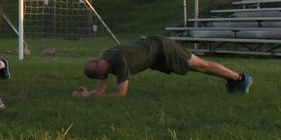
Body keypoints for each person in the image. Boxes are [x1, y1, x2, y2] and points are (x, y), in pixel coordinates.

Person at [73, 35, 253, 98]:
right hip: (154, 49)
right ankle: (234, 80)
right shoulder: (105, 57)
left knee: (201, 66)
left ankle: (241, 79)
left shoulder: (120, 61)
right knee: (199, 67)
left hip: (163, 49)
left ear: (102, 70)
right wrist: (90, 94)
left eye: (101, 76)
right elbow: (101, 90)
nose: (103, 79)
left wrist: (94, 97)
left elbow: (121, 94)